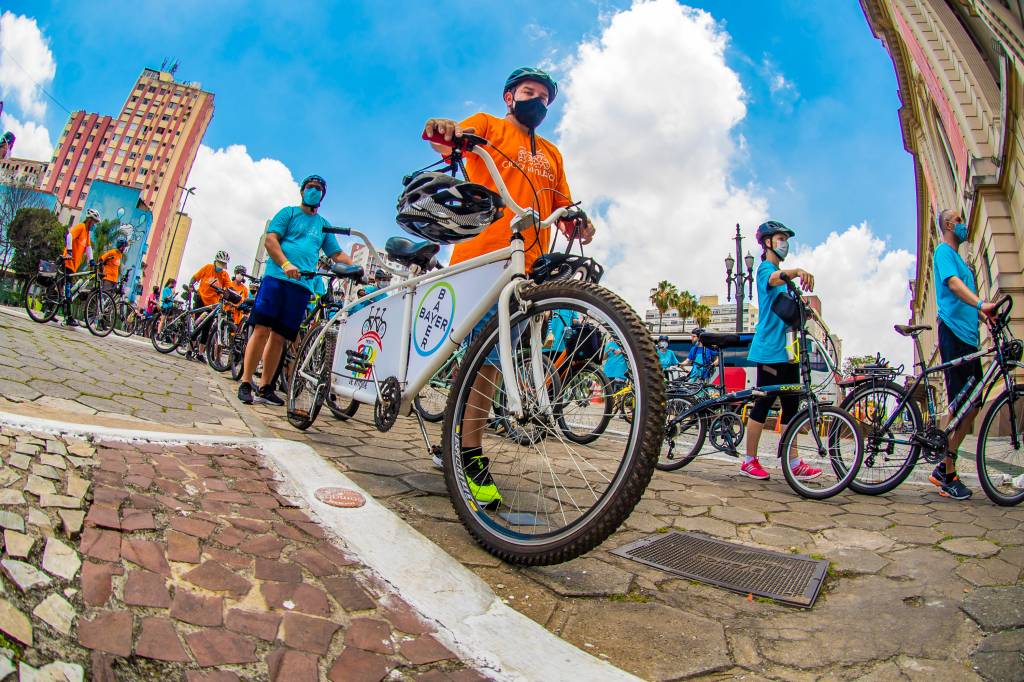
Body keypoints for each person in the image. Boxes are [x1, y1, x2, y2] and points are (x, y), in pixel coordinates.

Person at [422, 67, 595, 506]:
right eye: (528, 92)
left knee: (492, 362)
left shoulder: (553, 154)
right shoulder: (488, 124)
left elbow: (563, 204)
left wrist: (578, 219)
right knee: (454, 349)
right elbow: (450, 138)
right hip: (479, 254)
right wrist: (444, 129)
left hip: (527, 267)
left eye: (544, 97)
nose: (536, 100)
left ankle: (467, 448)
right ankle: (451, 432)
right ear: (509, 96)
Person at [238, 175, 354, 406]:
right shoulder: (288, 214)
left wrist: (356, 268)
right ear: (302, 191)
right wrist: (285, 264)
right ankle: (245, 381)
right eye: (311, 187)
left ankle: (266, 386)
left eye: (319, 188)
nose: (314, 191)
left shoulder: (323, 225)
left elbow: (336, 254)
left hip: (302, 286)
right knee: (261, 329)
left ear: (323, 196)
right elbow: (271, 240)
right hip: (277, 278)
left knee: (280, 337)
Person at [741, 221, 821, 481]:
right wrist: (796, 271)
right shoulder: (766, 268)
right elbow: (773, 279)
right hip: (769, 348)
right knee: (763, 402)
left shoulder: (783, 277)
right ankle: (749, 460)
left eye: (787, 238)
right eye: (780, 238)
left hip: (788, 350)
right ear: (767, 242)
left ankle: (793, 460)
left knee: (791, 406)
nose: (785, 242)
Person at [929, 209, 997, 500]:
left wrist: (985, 317)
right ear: (947, 225)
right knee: (959, 404)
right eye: (957, 220)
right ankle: (947, 472)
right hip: (953, 333)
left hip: (969, 337)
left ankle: (945, 468)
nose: (962, 224)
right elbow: (954, 286)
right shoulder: (944, 252)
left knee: (974, 402)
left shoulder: (965, 265)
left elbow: (968, 298)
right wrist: (982, 303)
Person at [189, 250, 232, 362]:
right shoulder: (208, 268)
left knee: (207, 328)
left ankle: (200, 353)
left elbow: (229, 288)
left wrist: (229, 296)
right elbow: (195, 277)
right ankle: (189, 350)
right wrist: (191, 284)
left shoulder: (224, 274)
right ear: (216, 261)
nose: (221, 266)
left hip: (213, 304)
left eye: (223, 264)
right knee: (198, 326)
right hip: (201, 299)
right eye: (220, 263)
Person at [60, 208, 101, 326]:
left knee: (64, 288)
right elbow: (69, 236)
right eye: (94, 222)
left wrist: (92, 261)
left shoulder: (87, 233)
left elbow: (88, 248)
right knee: (67, 290)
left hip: (73, 265)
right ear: (89, 220)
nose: (94, 225)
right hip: (68, 262)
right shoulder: (81, 227)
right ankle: (68, 317)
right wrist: (69, 251)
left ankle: (50, 311)